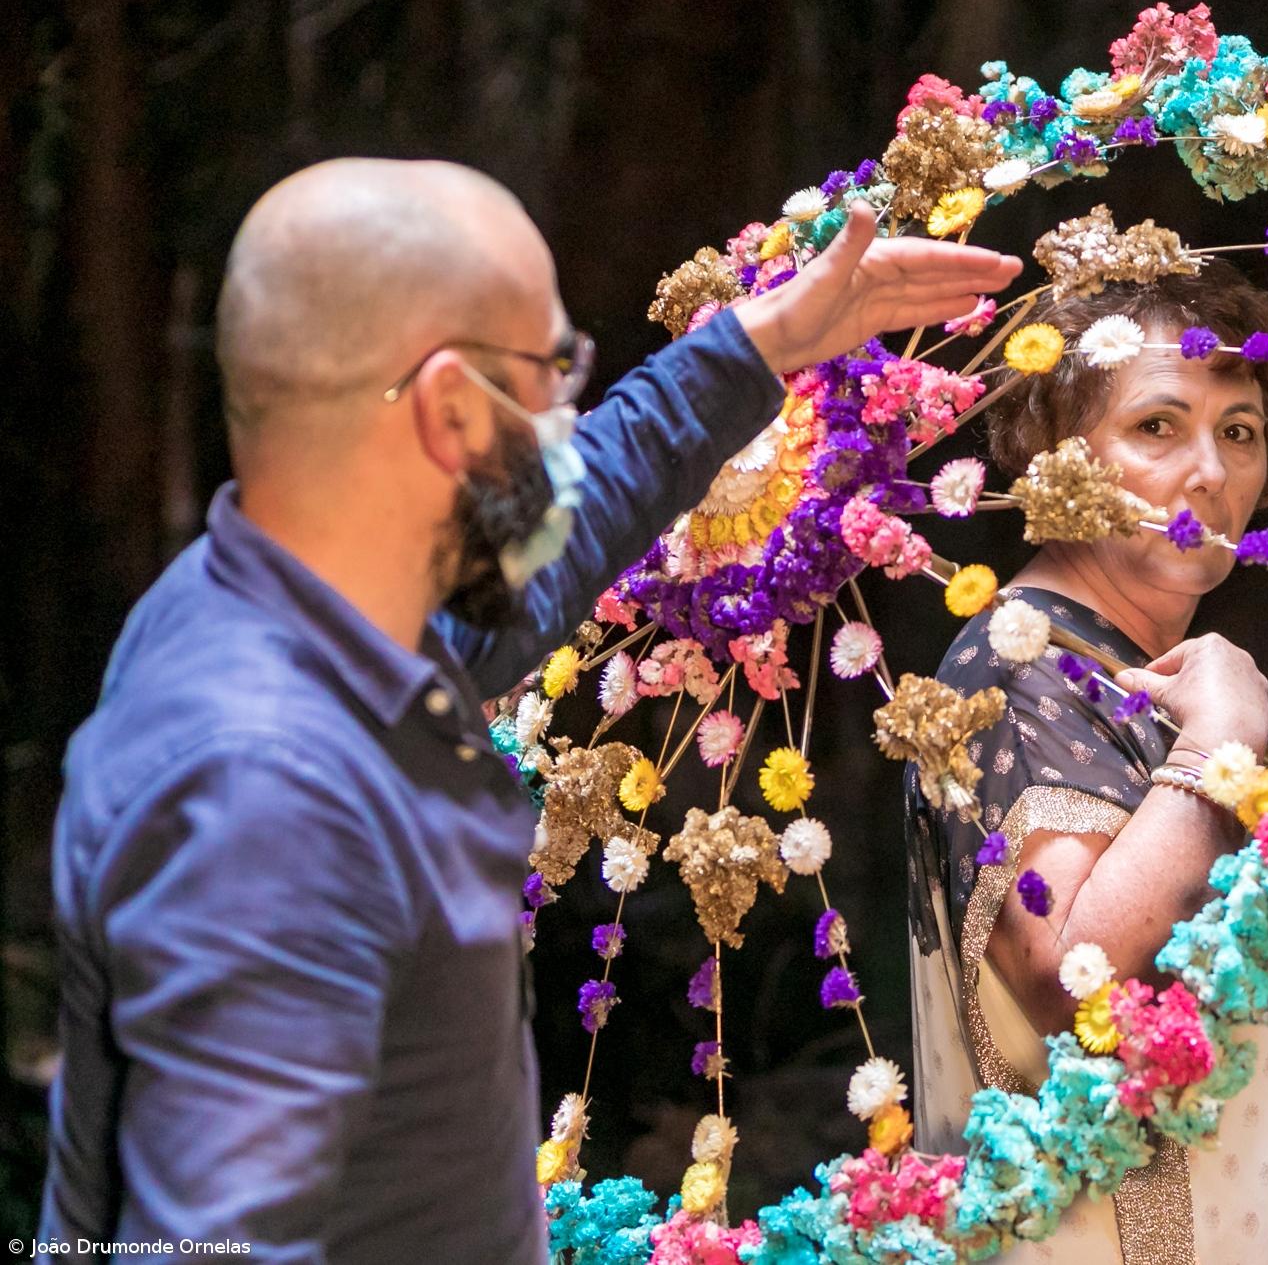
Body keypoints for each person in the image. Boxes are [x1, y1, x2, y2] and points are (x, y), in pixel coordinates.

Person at [41, 157, 1021, 1261]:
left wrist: (762, 348)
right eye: (556, 368)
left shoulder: (297, 611)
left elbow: (565, 524)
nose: (571, 410)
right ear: (453, 410)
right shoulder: (267, 789)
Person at [905, 265, 1268, 1264]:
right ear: (1054, 456)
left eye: (1239, 431)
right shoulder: (1017, 669)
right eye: (1156, 427)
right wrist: (1217, 747)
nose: (1208, 471)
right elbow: (1074, 985)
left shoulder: (1107, 662)